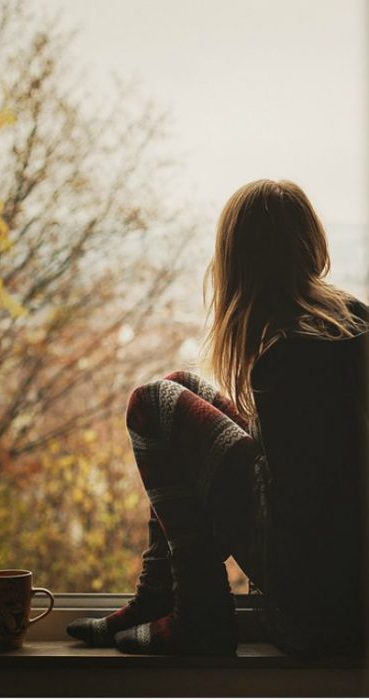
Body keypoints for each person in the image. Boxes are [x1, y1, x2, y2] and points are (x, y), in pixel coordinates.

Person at [67, 179, 368, 656]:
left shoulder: (287, 357)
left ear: (237, 263)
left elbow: (298, 515)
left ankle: (200, 611)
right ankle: (157, 594)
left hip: (310, 619)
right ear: (313, 246)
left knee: (153, 403)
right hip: (338, 603)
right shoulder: (351, 322)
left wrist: (208, 485)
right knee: (182, 385)